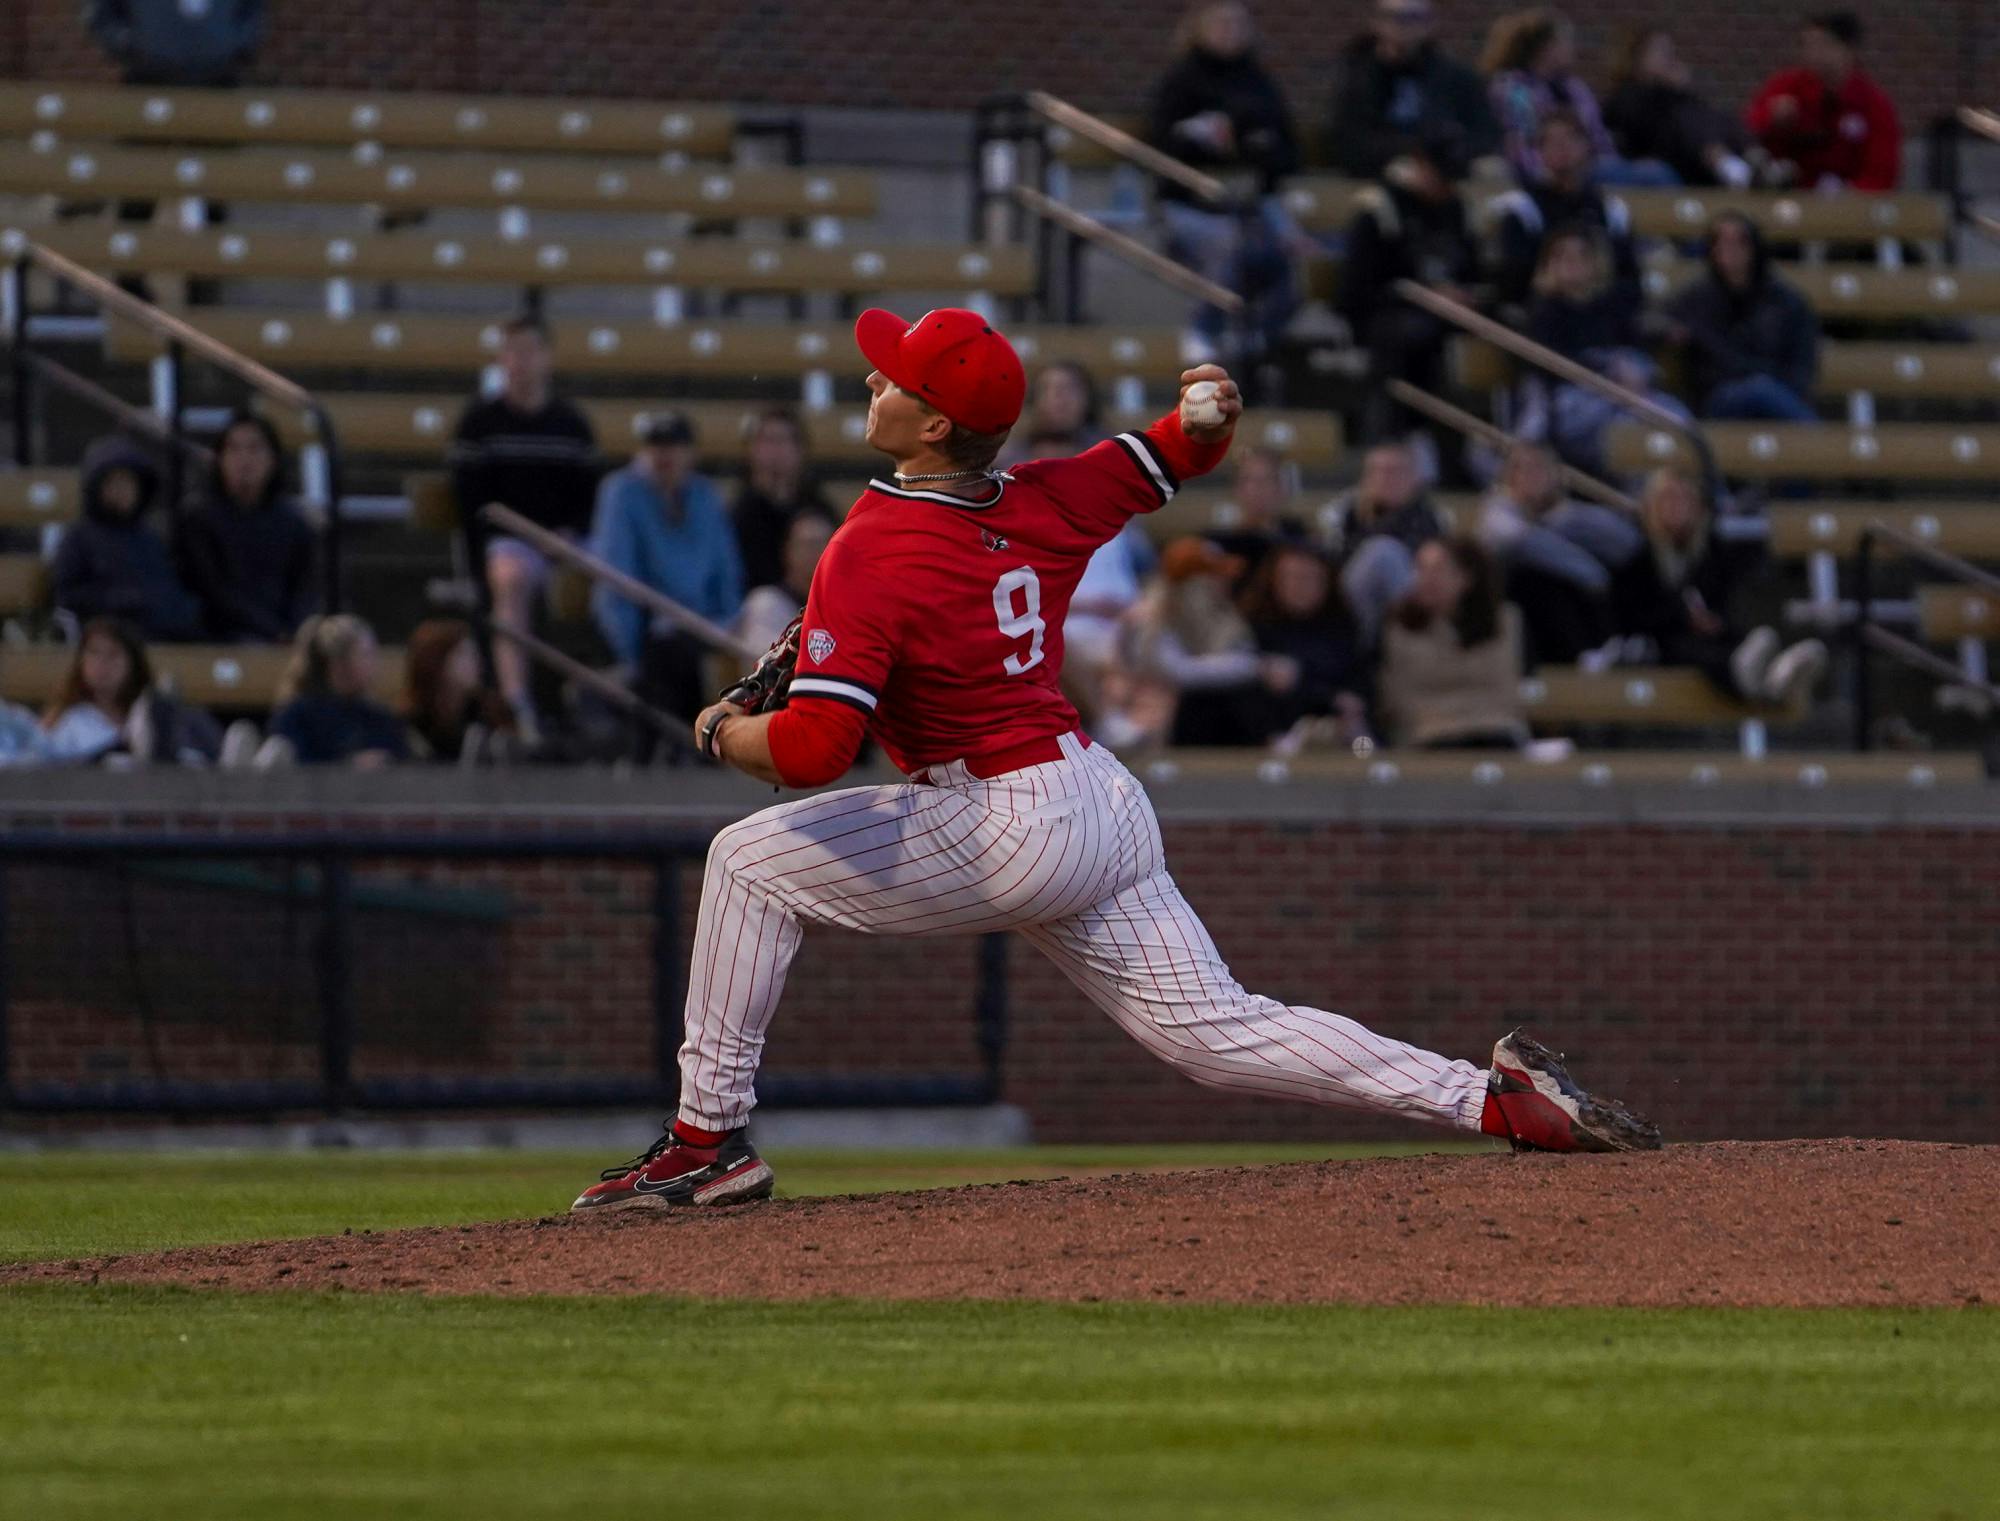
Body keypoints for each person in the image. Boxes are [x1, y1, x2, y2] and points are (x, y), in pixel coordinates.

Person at [566, 306, 1658, 1215]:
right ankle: (1490, 1101)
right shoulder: (1046, 495)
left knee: (746, 863)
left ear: (933, 422)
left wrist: (718, 729)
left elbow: (810, 751)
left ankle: (706, 1140)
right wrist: (1207, 415)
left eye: (891, 374)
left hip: (1000, 816)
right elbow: (1171, 456)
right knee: (1216, 1033)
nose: (871, 374)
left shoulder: (871, 546)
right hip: (1096, 798)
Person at [449, 315, 601, 731]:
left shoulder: (572, 424)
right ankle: (518, 704)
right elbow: (472, 505)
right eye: (512, 352)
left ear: (547, 359)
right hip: (509, 540)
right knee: (510, 578)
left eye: (530, 351)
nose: (520, 361)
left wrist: (568, 533)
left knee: (615, 571)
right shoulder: (479, 424)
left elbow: (589, 497)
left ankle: (611, 691)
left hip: (567, 541)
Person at [1146, 1, 1304, 357]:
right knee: (1228, 248)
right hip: (1190, 203)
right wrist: (1199, 138)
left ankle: (1255, 342)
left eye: (1237, 23)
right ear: (1199, 28)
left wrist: (1254, 147)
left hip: (1249, 200)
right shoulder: (1180, 81)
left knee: (1285, 261)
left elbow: (1287, 151)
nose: (1230, 31)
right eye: (1221, 23)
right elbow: (1159, 145)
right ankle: (1202, 331)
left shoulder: (1259, 83)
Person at [1604, 469, 1827, 703]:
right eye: (1668, 499)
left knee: (1735, 637)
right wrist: (1683, 617)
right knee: (1693, 648)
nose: (1676, 508)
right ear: (1652, 507)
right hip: (1660, 645)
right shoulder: (1636, 558)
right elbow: (1630, 617)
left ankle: (1779, 671)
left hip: (1711, 639)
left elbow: (1723, 601)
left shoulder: (1712, 553)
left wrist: (1712, 621)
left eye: (1683, 500)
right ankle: (1769, 676)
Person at [590, 412, 743, 725]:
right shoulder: (621, 492)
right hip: (646, 628)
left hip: (702, 624)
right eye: (657, 445)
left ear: (690, 453)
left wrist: (728, 624)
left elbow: (726, 571)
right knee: (668, 651)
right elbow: (616, 579)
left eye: (674, 446)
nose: (665, 455)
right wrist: (629, 653)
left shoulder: (705, 496)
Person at [1339, 138, 1485, 444]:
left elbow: (1474, 270)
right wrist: (1427, 296)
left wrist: (1467, 295)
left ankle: (1472, 448)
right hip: (1388, 314)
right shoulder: (1381, 207)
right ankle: (1397, 437)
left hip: (1449, 314)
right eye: (1441, 176)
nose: (1446, 187)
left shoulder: (1457, 208)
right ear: (1420, 165)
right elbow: (1357, 288)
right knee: (1412, 335)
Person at [1523, 226, 1691, 473]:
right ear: (1548, 264)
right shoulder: (1542, 312)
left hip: (1625, 395)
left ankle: (1712, 497)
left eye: (1581, 256)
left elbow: (1635, 348)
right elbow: (1547, 366)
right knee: (1627, 429)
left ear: (1595, 263)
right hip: (1570, 400)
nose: (1571, 263)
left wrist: (1636, 371)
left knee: (1681, 421)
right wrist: (1608, 370)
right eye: (1561, 256)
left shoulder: (1610, 307)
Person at [1121, 535, 1297, 747]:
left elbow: (1239, 651)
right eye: (1213, 576)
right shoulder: (1153, 614)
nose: (1223, 583)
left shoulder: (1221, 614)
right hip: (1155, 718)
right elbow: (1178, 672)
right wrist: (1255, 667)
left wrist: (1259, 667)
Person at [1477, 437, 1639, 663]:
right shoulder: (1498, 510)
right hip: (1522, 607)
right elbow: (1518, 541)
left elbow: (1627, 542)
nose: (1532, 476)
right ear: (1510, 477)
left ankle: (1618, 644)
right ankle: (1584, 651)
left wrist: (1561, 518)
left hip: (1577, 601)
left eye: (1540, 468)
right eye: (1523, 469)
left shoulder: (1565, 513)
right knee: (1534, 576)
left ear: (1557, 475)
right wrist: (1590, 573)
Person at [1481, 8, 1673, 187]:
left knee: (1655, 171)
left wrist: (1611, 161)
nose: (1572, 48)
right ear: (1546, 47)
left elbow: (1598, 135)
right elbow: (1520, 142)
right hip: (1552, 170)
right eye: (1565, 41)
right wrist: (1545, 178)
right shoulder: (1513, 89)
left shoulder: (1573, 88)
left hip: (1590, 166)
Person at [1665, 213, 1821, 422]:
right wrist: (1672, 331)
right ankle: (1818, 443)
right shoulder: (1697, 298)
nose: (1727, 250)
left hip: (1778, 391)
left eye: (1738, 242)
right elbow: (1654, 321)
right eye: (1720, 242)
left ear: (1754, 246)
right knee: (1758, 390)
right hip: (1719, 398)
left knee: (1763, 390)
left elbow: (1802, 360)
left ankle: (1818, 445)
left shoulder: (1785, 300)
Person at [178, 410, 318, 644]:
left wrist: (297, 631)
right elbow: (213, 590)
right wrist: (274, 631)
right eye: (234, 449)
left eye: (254, 449)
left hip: (286, 635)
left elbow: (305, 587)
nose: (244, 459)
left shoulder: (294, 523)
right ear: (219, 458)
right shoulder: (197, 517)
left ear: (273, 459)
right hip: (220, 635)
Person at [1378, 534, 1529, 748]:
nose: (1426, 578)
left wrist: (1450, 713)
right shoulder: (1400, 627)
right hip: (1428, 737)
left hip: (1494, 732)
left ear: (1466, 577)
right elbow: (1400, 700)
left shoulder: (1504, 621)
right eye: (1420, 568)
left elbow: (1505, 694)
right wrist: (1461, 716)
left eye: (1438, 569)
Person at [51, 435, 204, 643]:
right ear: (98, 488)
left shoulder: (151, 539)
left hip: (162, 638)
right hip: (110, 640)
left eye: (129, 482)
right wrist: (121, 600)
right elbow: (67, 596)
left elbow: (169, 589)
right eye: (114, 482)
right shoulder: (80, 539)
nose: (122, 490)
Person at [1327, 0, 1499, 181]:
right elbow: (1350, 141)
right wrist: (1407, 152)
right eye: (1393, 17)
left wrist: (1452, 152)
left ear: (1429, 24)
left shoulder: (1454, 77)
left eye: (1412, 18)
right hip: (1383, 168)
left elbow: (1485, 131)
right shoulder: (1358, 77)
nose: (1401, 26)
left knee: (1493, 170)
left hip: (1447, 164)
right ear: (1376, 23)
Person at [1489, 110, 1641, 311]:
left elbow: (1629, 278)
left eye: (1571, 138)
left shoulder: (1609, 210)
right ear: (1540, 151)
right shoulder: (1523, 210)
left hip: (1601, 314)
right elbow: (1513, 282)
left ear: (1586, 146)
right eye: (1551, 141)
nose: (1562, 147)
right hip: (1543, 314)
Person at [1746, 12, 1901, 192]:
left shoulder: (1873, 104)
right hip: (1788, 196)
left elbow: (1881, 171)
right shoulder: (1786, 87)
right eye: (1807, 45)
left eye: (1824, 45)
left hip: (1847, 206)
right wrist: (1773, 120)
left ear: (1848, 49)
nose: (1814, 54)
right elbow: (1749, 131)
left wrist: (1850, 197)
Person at [1238, 540, 1373, 747]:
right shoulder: (1253, 626)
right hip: (1273, 734)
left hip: (1340, 729)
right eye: (1291, 578)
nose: (1299, 586)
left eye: (1309, 578)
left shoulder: (1343, 627)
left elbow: (1358, 680)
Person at [40, 616, 220, 765]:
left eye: (112, 655)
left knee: (184, 722)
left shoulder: (152, 714)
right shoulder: (70, 721)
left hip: (159, 790)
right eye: (93, 653)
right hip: (95, 790)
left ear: (132, 663)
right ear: (81, 661)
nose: (102, 664)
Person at [1603, 27, 1762, 189]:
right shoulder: (1627, 96)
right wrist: (1673, 91)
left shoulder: (1674, 96)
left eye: (1670, 52)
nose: (1669, 60)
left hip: (1690, 162)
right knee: (1688, 117)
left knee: (1716, 117)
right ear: (1637, 58)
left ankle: (1753, 158)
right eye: (1660, 51)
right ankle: (1730, 166)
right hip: (1659, 163)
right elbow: (1648, 130)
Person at [1325, 440, 1447, 641]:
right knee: (1382, 552)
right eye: (1378, 471)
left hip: (1407, 598)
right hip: (1351, 603)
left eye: (1395, 471)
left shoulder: (1428, 518)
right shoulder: (1348, 513)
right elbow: (1336, 558)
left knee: (1388, 554)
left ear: (1414, 478)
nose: (1385, 478)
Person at [269, 615, 409, 767]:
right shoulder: (297, 717)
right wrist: (348, 765)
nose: (375, 663)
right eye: (365, 654)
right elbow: (296, 771)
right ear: (337, 664)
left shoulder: (379, 718)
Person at [731, 409, 836, 595]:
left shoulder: (818, 509)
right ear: (751, 450)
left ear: (800, 449)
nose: (776, 450)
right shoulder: (738, 515)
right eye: (768, 441)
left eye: (784, 441)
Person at [401, 618, 518, 764]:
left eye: (475, 654)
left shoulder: (491, 714)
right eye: (464, 654)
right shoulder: (412, 725)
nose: (477, 661)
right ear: (438, 661)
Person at [86, 0, 264, 86]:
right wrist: (129, 45)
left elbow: (254, 14)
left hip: (217, 78)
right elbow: (103, 16)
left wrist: (235, 45)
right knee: (144, 157)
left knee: (220, 157)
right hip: (148, 78)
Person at [737, 509, 836, 655]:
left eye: (826, 543)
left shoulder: (848, 606)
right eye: (809, 544)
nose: (818, 551)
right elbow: (769, 665)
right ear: (788, 550)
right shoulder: (766, 604)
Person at [1206, 446, 1307, 578]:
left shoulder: (1299, 540)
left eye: (1266, 479)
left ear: (1281, 489)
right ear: (1237, 489)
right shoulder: (1220, 546)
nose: (1257, 488)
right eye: (1248, 480)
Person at [996, 362, 1106, 469]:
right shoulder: (1008, 461)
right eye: (1048, 388)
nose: (1060, 397)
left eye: (1070, 388)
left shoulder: (1107, 457)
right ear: (1034, 399)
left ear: (1088, 398)